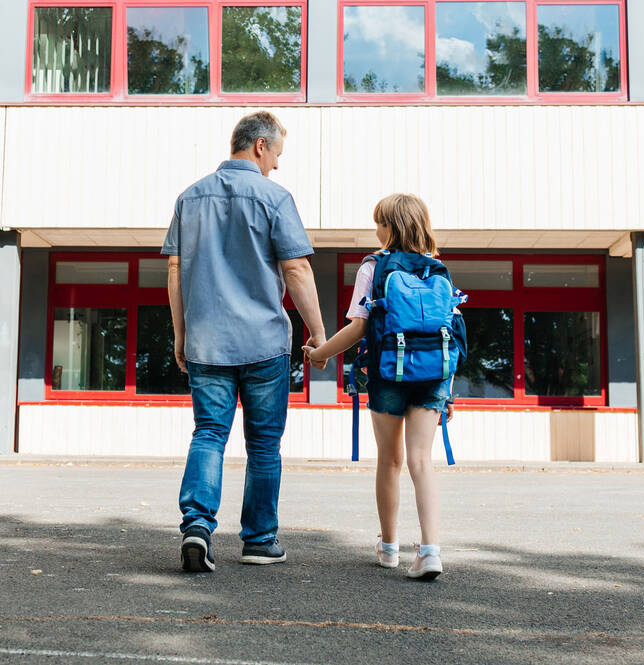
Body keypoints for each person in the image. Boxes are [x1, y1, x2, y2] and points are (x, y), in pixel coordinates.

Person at [163, 111, 325, 573]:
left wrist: (181, 334)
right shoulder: (275, 197)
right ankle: (259, 540)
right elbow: (296, 269)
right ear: (259, 146)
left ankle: (197, 526)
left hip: (207, 341)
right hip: (263, 344)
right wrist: (318, 335)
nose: (277, 164)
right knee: (264, 445)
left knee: (209, 434)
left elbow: (174, 271)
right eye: (276, 154)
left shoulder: (189, 198)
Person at [302, 193, 450, 580]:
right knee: (421, 461)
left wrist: (321, 355)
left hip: (388, 372)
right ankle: (430, 551)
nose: (376, 229)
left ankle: (389, 548)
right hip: (433, 374)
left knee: (390, 459)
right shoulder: (438, 269)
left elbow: (359, 326)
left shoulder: (374, 266)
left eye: (379, 222)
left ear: (390, 227)